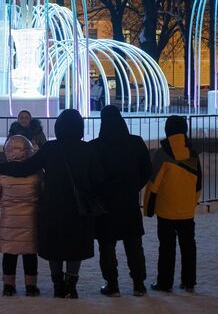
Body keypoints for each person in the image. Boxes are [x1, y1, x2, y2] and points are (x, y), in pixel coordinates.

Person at [0, 109, 104, 299]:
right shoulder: (88, 149)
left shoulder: (51, 148)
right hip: (79, 207)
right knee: (75, 246)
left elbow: (27, 167)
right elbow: (98, 179)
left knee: (55, 245)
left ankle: (57, 285)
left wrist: (3, 168)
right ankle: (71, 286)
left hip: (53, 204)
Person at [89, 105, 151, 297]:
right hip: (128, 201)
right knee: (133, 244)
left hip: (105, 203)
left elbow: (90, 175)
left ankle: (112, 284)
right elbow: (147, 170)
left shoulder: (95, 146)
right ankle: (139, 284)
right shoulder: (135, 143)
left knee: (106, 246)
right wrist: (134, 186)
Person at [145, 115, 202, 293]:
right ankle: (189, 281)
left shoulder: (162, 154)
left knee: (167, 248)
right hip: (186, 211)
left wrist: (148, 208)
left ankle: (165, 282)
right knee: (188, 247)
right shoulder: (193, 155)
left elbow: (153, 184)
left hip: (166, 210)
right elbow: (198, 184)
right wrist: (191, 204)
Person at [0, 135, 42, 297]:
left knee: (9, 253)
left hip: (9, 219)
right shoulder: (37, 172)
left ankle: (8, 286)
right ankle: (31, 286)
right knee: (30, 253)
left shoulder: (2, 173)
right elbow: (43, 192)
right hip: (30, 219)